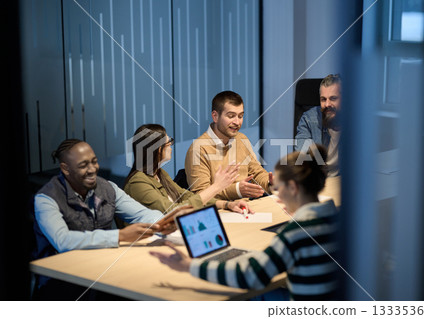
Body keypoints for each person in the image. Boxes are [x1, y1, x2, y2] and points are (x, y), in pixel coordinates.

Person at [150, 145, 339, 301]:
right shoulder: (339, 219)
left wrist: (188, 265)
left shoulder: (294, 235)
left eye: (278, 188)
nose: (277, 195)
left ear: (293, 188)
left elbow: (249, 276)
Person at [33, 139, 178, 300]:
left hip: (102, 272)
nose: (92, 169)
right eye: (83, 165)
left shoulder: (107, 188)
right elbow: (63, 241)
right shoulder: (46, 199)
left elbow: (143, 214)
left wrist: (163, 222)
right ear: (65, 169)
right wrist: (120, 236)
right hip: (62, 285)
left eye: (94, 162)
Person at [123, 124, 252, 214]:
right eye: (169, 143)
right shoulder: (137, 183)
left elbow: (186, 196)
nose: (171, 147)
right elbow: (173, 211)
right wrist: (216, 187)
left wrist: (227, 204)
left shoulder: (159, 173)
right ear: (156, 150)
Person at [185, 91, 272, 201]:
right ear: (215, 116)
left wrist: (271, 184)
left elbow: (257, 173)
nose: (237, 122)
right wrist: (236, 190)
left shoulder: (242, 139)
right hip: (219, 212)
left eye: (240, 116)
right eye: (231, 116)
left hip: (245, 209)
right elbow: (200, 196)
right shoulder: (199, 148)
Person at [294, 74, 341, 177]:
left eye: (333, 98)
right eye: (323, 99)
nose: (327, 104)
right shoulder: (309, 120)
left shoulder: (356, 123)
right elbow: (302, 159)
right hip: (318, 182)